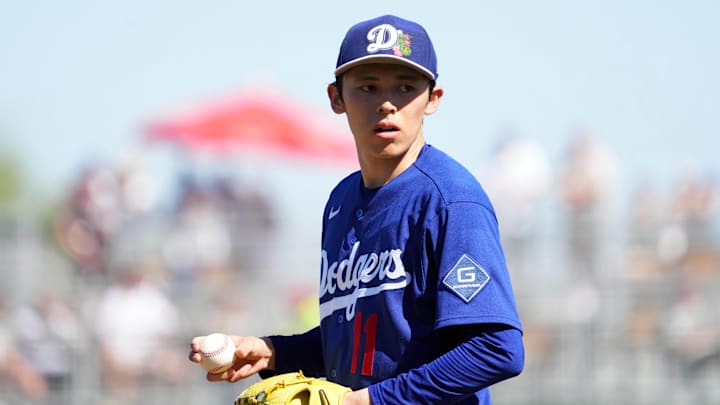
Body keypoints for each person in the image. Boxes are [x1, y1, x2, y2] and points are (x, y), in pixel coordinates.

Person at [189, 15, 524, 404]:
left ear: (433, 99)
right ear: (336, 98)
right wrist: (272, 352)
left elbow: (496, 349)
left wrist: (369, 401)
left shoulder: (450, 200)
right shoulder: (340, 201)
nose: (387, 103)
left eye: (405, 87)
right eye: (367, 87)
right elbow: (359, 342)